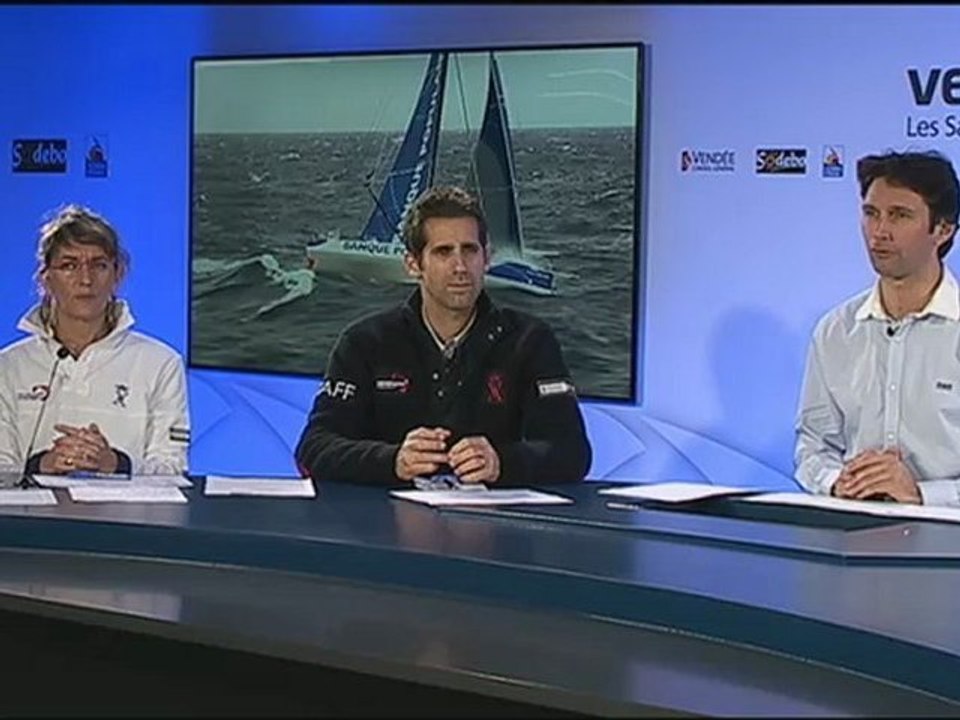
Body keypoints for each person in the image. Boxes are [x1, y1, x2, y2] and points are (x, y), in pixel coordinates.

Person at [295, 186, 592, 487]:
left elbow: (572, 453)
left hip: (496, 515)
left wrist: (501, 462)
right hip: (385, 515)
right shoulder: (364, 343)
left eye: (470, 250)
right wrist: (392, 461)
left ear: (487, 258)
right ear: (413, 264)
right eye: (443, 252)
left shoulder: (530, 341)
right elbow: (314, 448)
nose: (460, 267)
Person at [795, 149, 960, 505]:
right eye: (871, 214)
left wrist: (922, 494)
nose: (879, 232)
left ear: (943, 229)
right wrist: (836, 481)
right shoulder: (836, 331)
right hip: (852, 530)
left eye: (899, 215)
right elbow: (813, 445)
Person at [0, 204, 190, 477]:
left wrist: (113, 464)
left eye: (99, 265)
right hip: (35, 506)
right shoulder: (8, 366)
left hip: (123, 507)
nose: (85, 279)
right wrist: (43, 465)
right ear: (46, 278)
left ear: (117, 274)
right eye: (69, 265)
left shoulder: (161, 363)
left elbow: (173, 469)